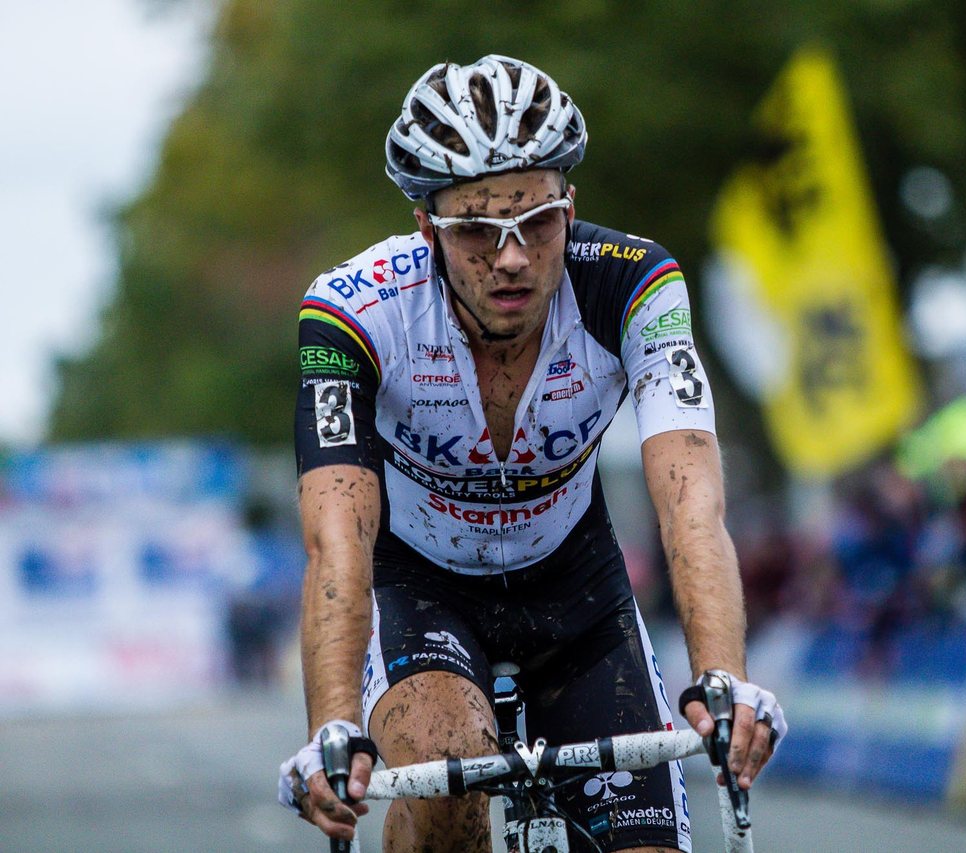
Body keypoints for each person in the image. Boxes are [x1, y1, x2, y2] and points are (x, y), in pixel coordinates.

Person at [277, 54, 786, 852]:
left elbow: (690, 496)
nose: (511, 257)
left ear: (570, 206)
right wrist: (333, 726)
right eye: (477, 229)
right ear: (426, 227)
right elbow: (337, 537)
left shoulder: (637, 285)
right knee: (450, 770)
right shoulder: (356, 311)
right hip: (423, 590)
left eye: (538, 222)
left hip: (577, 592)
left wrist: (723, 675)